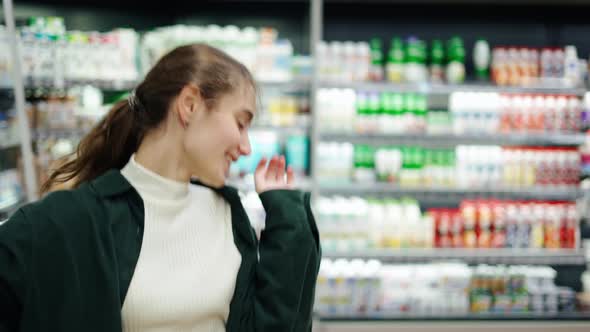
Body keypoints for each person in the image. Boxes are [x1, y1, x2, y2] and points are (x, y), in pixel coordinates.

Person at [0, 44, 320, 332]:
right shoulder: (72, 220)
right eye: (240, 122)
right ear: (190, 105)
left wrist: (287, 216)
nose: (247, 147)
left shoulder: (229, 215)